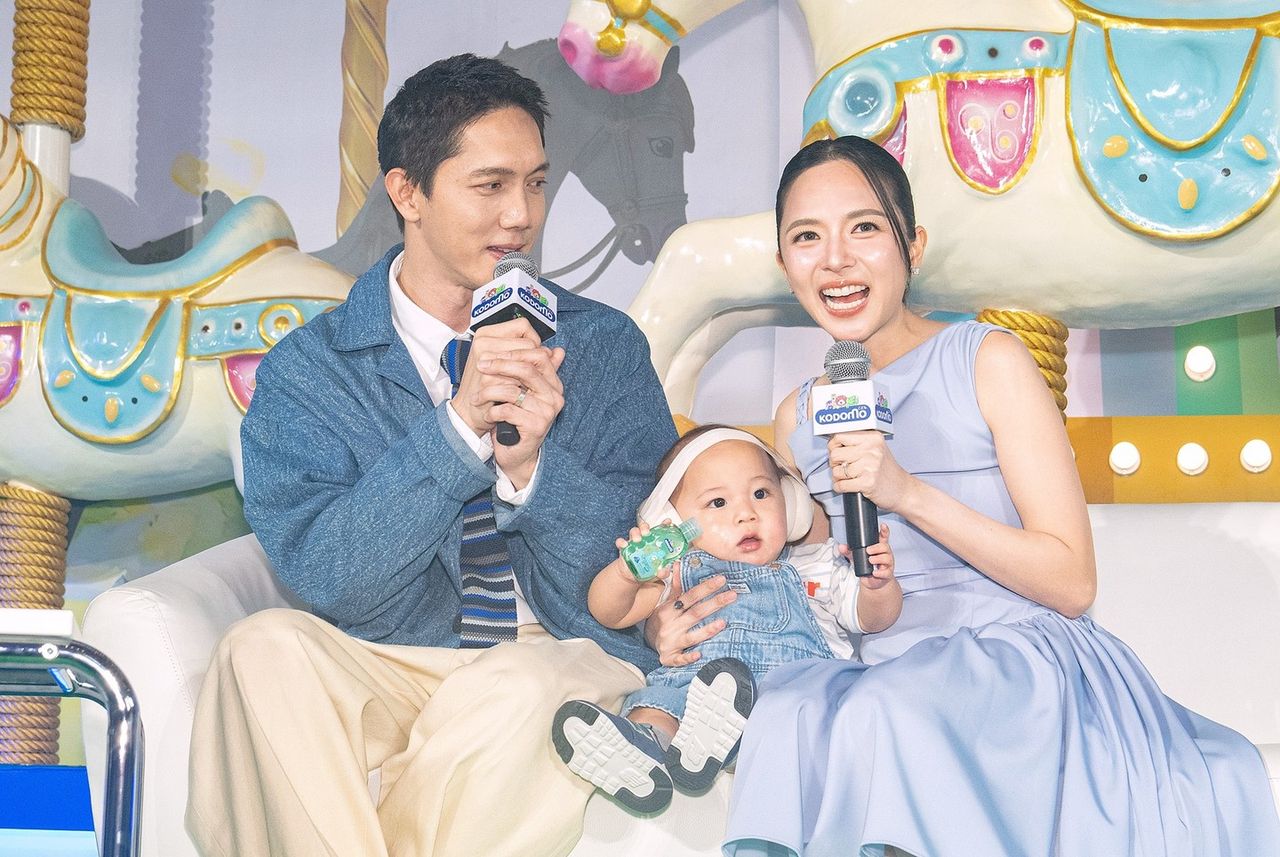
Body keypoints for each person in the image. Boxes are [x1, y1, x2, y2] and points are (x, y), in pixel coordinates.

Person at [642, 136, 1280, 856]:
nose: (836, 259)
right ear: (785, 265)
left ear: (912, 246)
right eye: (807, 237)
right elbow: (791, 582)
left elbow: (1072, 582)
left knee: (889, 712)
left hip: (1016, 658)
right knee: (789, 705)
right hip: (873, 663)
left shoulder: (989, 360)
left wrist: (905, 492)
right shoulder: (796, 417)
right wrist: (671, 625)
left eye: (864, 228)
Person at [185, 54, 679, 857]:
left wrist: (532, 469)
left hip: (562, 652)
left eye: (536, 183)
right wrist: (457, 429)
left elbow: (645, 569)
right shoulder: (311, 370)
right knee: (259, 649)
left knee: (523, 685)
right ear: (407, 192)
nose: (521, 215)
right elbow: (333, 578)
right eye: (490, 185)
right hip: (399, 658)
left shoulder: (603, 347)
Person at [551, 425, 898, 814]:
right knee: (659, 704)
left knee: (805, 707)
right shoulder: (674, 573)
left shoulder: (813, 566)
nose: (746, 514)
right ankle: (644, 748)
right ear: (673, 524)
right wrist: (626, 574)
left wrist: (877, 586)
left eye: (761, 494)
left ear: (791, 505)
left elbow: (873, 619)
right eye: (718, 502)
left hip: (789, 700)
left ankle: (716, 738)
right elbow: (609, 612)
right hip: (691, 692)